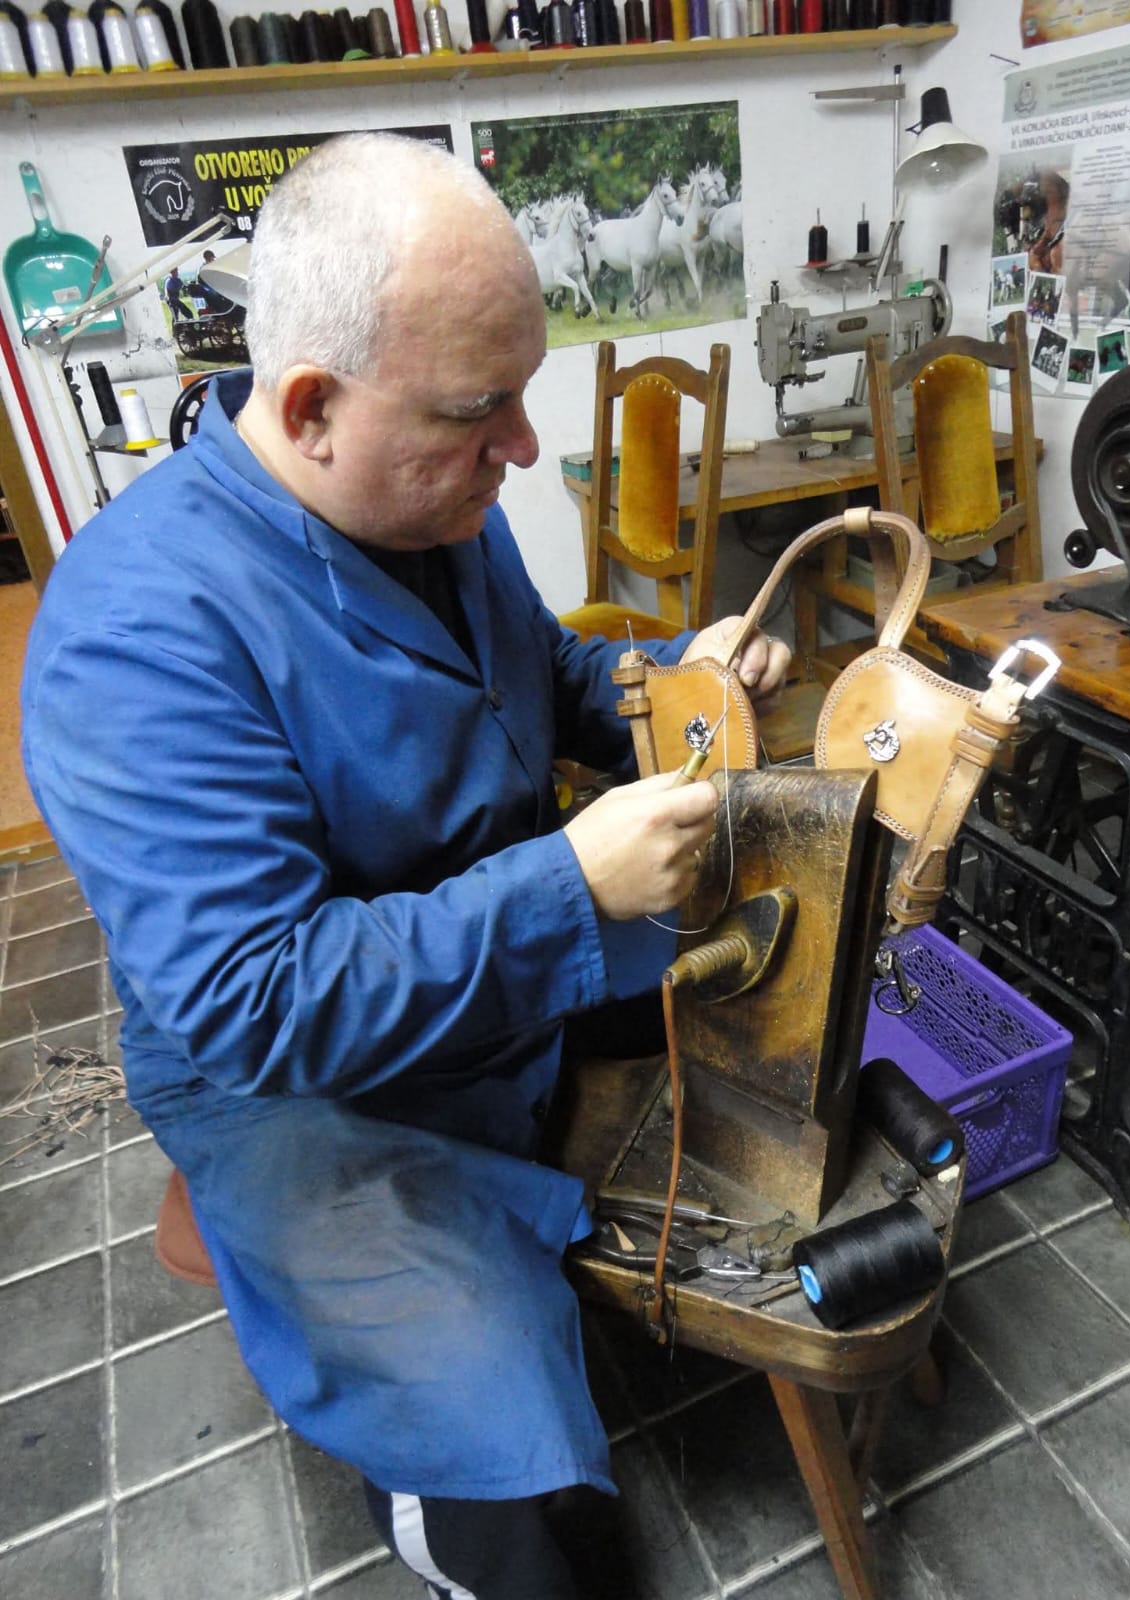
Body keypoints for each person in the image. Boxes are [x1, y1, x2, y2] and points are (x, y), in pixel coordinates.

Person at [21, 133, 789, 1599]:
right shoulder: (136, 633)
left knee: (782, 971)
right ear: (310, 406)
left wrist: (667, 682)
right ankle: (452, 1508)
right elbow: (254, 999)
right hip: (303, 1084)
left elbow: (544, 677)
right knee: (543, 1525)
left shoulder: (430, 500)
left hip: (505, 959)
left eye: (520, 393)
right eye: (478, 410)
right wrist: (572, 887)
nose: (518, 447)